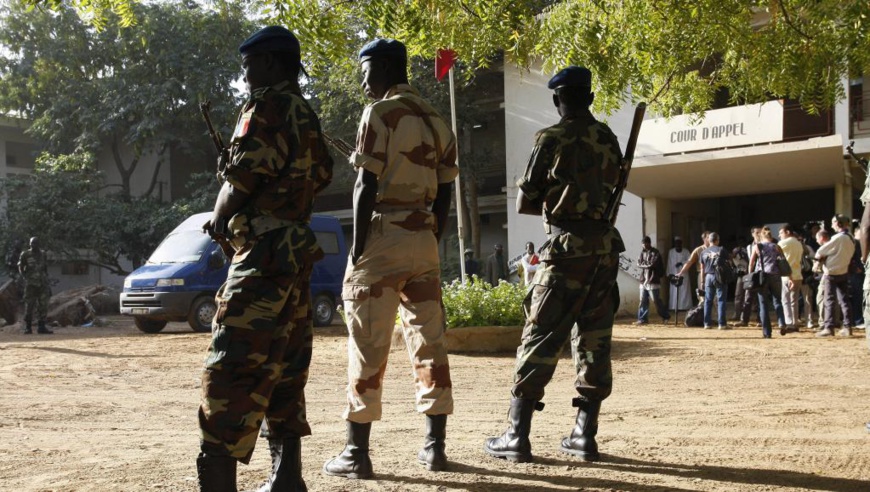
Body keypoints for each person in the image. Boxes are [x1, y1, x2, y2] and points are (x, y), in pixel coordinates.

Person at [196, 26, 334, 492]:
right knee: (286, 362)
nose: (246, 76)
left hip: (262, 255)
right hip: (295, 254)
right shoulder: (307, 115)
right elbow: (322, 176)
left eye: (250, 65)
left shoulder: (266, 106)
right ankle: (286, 479)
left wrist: (219, 219)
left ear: (272, 63)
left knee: (231, 363)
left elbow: (242, 177)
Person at [323, 38, 457, 479]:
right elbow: (447, 188)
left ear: (382, 67)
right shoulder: (438, 119)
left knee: (367, 341)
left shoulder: (379, 113)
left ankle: (356, 453)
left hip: (384, 236)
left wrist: (359, 247)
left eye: (365, 73)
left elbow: (365, 185)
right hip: (424, 237)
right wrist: (433, 231)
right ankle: (435, 447)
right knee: (430, 342)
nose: (363, 84)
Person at [483, 66, 624, 463]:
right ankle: (584, 435)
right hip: (604, 250)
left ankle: (517, 435)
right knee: (595, 340)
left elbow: (524, 201)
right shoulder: (608, 139)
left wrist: (558, 198)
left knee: (540, 337)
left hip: (565, 250)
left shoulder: (551, 138)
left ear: (556, 100)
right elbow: (613, 184)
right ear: (590, 98)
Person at [814, 215, 856, 337]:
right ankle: (848, 327)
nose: (832, 225)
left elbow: (821, 251)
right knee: (844, 300)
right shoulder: (851, 237)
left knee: (829, 300)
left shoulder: (837, 238)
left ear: (838, 224)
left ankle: (829, 327)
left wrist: (818, 262)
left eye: (833, 222)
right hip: (843, 271)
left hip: (831, 273)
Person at [748, 226, 786, 338]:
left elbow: (751, 263)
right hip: (775, 275)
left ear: (761, 236)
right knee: (777, 301)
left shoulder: (758, 246)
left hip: (762, 276)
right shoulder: (777, 246)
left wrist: (750, 274)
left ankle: (767, 332)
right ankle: (781, 322)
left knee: (763, 304)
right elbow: (783, 261)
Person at [18, 236, 52, 334]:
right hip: (31, 285)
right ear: (29, 244)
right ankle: (28, 327)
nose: (34, 245)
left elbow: (45, 268)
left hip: (42, 284)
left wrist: (47, 280)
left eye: (36, 243)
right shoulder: (25, 254)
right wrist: (24, 277)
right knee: (29, 305)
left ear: (38, 244)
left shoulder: (43, 254)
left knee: (43, 305)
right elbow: (20, 267)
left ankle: (41, 326)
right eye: (32, 243)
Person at [635, 236, 669, 324]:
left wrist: (644, 264)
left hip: (652, 280)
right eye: (642, 244)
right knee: (643, 300)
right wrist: (646, 264)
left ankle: (665, 316)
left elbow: (652, 265)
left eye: (645, 243)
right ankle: (642, 319)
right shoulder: (642, 253)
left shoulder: (655, 253)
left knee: (656, 300)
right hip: (643, 280)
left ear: (648, 243)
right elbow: (638, 263)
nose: (643, 246)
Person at [699, 232, 730, 329]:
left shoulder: (703, 252)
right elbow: (728, 262)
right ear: (717, 240)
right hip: (719, 276)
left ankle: (707, 323)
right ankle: (722, 324)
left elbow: (702, 268)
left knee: (708, 300)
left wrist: (702, 281)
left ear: (709, 240)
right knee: (721, 300)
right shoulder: (721, 250)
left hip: (708, 276)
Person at [778, 223, 804, 334]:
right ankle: (795, 323)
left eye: (781, 233)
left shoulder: (784, 243)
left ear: (787, 232)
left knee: (786, 301)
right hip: (798, 274)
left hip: (787, 275)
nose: (779, 236)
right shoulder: (799, 243)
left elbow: (776, 253)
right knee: (794, 301)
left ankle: (789, 323)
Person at [676, 231, 710, 303]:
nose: (710, 238)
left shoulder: (715, 249)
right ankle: (702, 313)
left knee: (714, 298)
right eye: (708, 237)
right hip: (702, 275)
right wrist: (681, 272)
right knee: (702, 298)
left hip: (713, 275)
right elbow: (689, 262)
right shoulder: (698, 250)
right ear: (704, 239)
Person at [666, 237, 692, 312]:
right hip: (674, 273)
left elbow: (689, 261)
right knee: (674, 291)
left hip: (684, 274)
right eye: (676, 243)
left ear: (681, 243)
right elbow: (669, 263)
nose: (678, 244)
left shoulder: (686, 251)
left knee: (684, 290)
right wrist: (669, 274)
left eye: (679, 243)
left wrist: (682, 263)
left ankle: (684, 307)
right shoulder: (671, 252)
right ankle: (674, 307)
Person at [731, 244, 749, 321]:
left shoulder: (741, 256)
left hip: (748, 275)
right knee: (738, 295)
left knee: (748, 296)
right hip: (741, 276)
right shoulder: (733, 258)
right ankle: (738, 314)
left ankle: (744, 316)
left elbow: (748, 264)